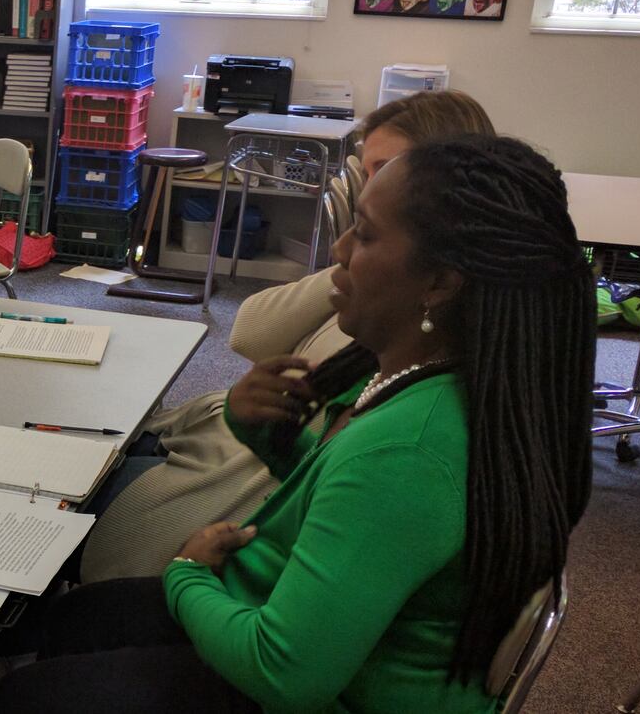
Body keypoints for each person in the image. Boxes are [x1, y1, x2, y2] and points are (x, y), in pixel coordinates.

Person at [0, 134, 595, 714]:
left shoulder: (409, 451)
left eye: (366, 234)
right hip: (306, 629)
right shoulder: (434, 381)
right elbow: (355, 513)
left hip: (324, 694)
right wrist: (265, 436)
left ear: (439, 282)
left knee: (26, 698)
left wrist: (188, 574)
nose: (340, 250)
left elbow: (284, 674)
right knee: (77, 619)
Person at [79, 90, 495, 584]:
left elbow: (316, 498)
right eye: (366, 173)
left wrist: (363, 257)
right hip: (227, 444)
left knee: (63, 493)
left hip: (228, 500)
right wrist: (357, 259)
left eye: (386, 172)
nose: (368, 193)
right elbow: (252, 332)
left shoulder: (405, 342)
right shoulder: (382, 300)